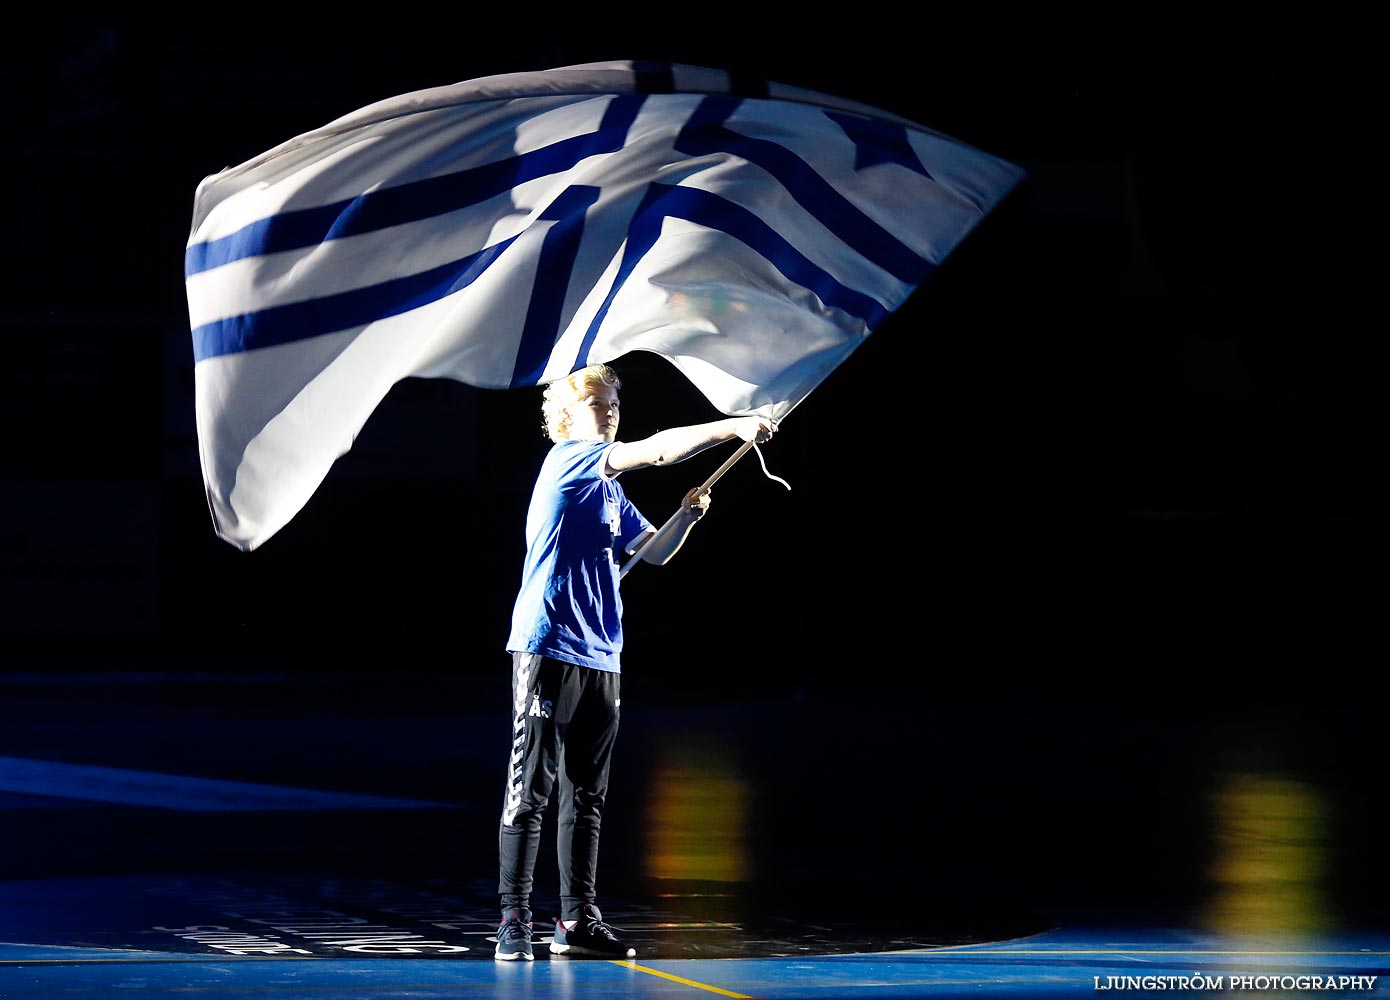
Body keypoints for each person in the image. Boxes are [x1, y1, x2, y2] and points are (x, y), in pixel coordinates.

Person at [494, 362, 775, 961]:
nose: (612, 411)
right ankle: (514, 919)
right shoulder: (567, 461)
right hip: (547, 644)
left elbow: (654, 553)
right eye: (601, 404)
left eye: (616, 402)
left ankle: (576, 923)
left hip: (603, 653)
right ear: (569, 415)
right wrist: (731, 429)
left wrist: (687, 515)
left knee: (586, 795)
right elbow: (654, 452)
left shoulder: (608, 491)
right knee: (531, 788)